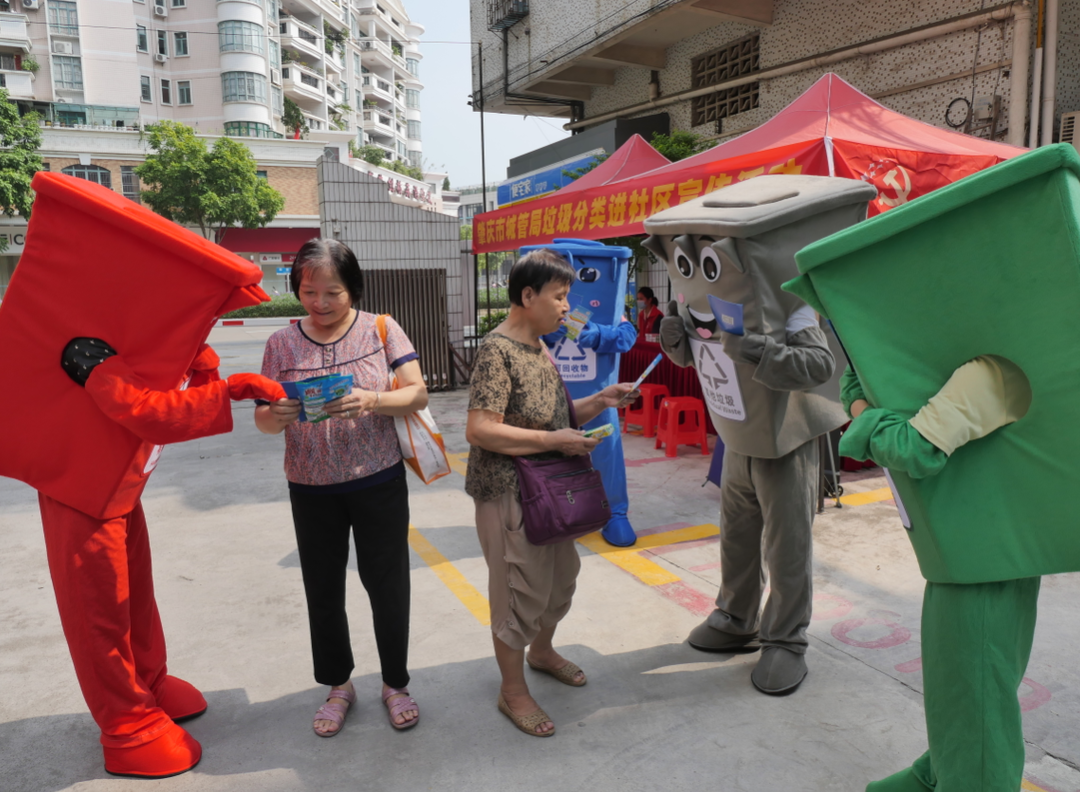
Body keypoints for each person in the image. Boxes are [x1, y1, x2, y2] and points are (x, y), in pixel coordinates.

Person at [256, 238, 429, 738]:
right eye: (309, 292)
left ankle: (395, 684)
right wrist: (278, 414)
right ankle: (338, 686)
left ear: (352, 288)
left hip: (377, 479)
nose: (321, 303)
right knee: (323, 591)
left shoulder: (381, 329)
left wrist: (371, 399)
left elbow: (416, 393)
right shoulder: (280, 344)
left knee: (388, 586)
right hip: (310, 487)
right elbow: (263, 421)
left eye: (333, 292)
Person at [465, 248, 637, 737]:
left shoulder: (540, 346)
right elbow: (480, 430)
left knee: (559, 582)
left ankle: (541, 653)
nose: (567, 307)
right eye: (560, 297)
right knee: (518, 594)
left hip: (551, 493)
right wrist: (552, 442)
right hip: (510, 494)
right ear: (527, 296)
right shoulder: (497, 352)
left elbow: (554, 418)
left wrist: (600, 400)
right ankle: (512, 692)